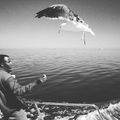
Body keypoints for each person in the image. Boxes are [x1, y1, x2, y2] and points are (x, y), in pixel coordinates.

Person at [0, 54, 47, 120]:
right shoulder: (7, 77)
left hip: (5, 111)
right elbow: (19, 91)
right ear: (2, 64)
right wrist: (38, 82)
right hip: (16, 112)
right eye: (9, 61)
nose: (11, 63)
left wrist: (9, 77)